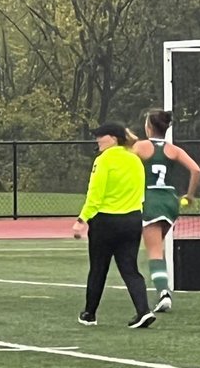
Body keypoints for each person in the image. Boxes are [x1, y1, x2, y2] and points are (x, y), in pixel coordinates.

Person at [74, 121, 156, 329]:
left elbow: (95, 193)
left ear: (113, 138)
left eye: (101, 136)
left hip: (105, 221)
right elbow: (140, 191)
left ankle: (89, 313)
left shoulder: (104, 160)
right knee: (130, 268)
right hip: (132, 219)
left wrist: (82, 219)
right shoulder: (135, 160)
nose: (97, 140)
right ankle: (143, 311)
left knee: (98, 268)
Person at [133, 110, 200, 314]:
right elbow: (196, 170)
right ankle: (163, 290)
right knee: (158, 247)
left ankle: (164, 293)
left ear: (149, 127)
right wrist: (189, 195)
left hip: (151, 198)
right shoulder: (173, 149)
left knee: (154, 251)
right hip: (170, 201)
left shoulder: (140, 147)